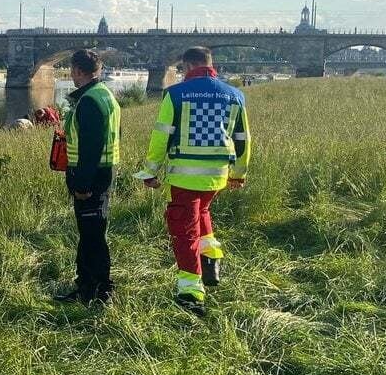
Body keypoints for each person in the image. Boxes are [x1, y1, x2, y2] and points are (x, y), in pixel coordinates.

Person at [134, 46, 251, 318]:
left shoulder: (175, 94)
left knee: (184, 229)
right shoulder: (235, 95)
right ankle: (211, 261)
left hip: (186, 174)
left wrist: (150, 171)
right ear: (210, 64)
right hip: (218, 173)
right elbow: (243, 138)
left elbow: (161, 136)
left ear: (187, 67)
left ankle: (191, 290)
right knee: (203, 212)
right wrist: (238, 174)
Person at [54, 49, 121, 304]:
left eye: (72, 70)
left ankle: (99, 290)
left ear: (78, 71)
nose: (71, 74)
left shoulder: (90, 100)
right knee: (91, 232)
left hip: (91, 177)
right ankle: (87, 286)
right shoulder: (105, 95)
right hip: (104, 171)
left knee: (92, 235)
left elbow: (90, 147)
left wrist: (81, 183)